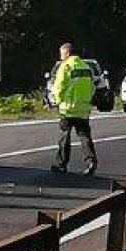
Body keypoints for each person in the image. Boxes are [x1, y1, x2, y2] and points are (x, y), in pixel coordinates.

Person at [51, 43, 98, 176]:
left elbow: (59, 86)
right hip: (83, 109)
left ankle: (62, 164)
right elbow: (92, 88)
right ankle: (91, 161)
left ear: (67, 53)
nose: (60, 56)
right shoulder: (86, 67)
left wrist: (57, 101)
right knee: (84, 136)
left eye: (61, 54)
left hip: (68, 108)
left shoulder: (65, 66)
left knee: (64, 136)